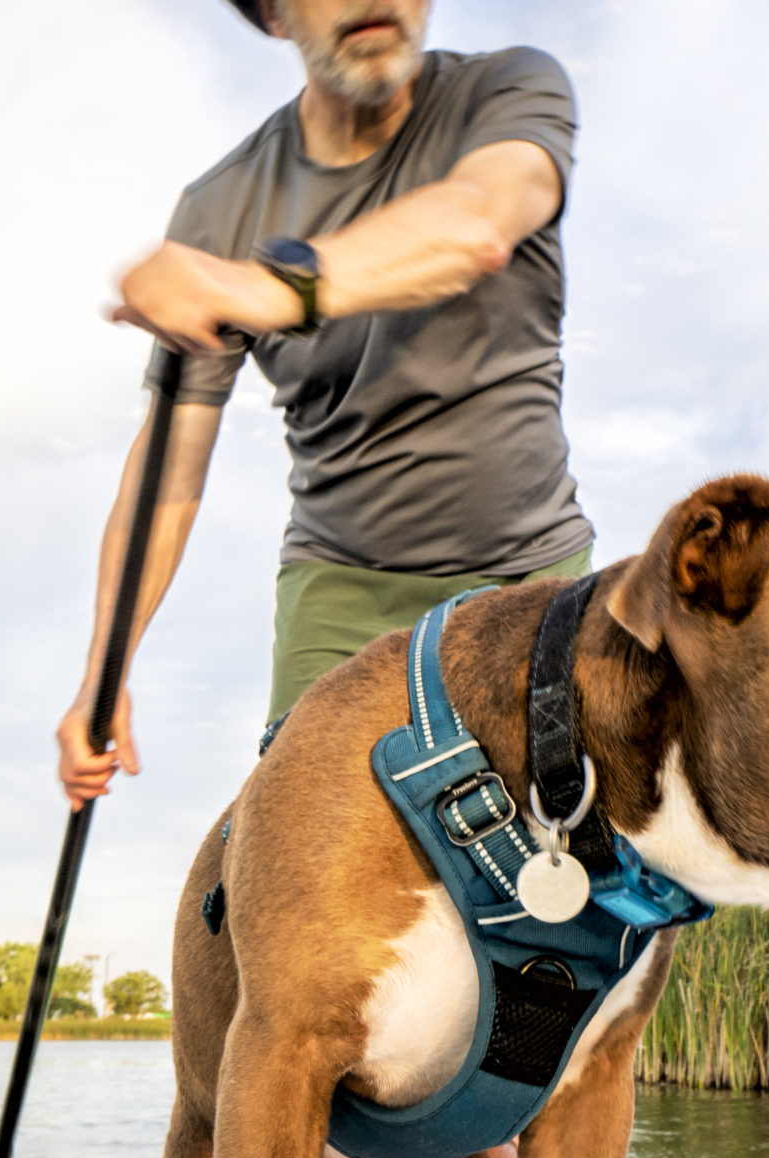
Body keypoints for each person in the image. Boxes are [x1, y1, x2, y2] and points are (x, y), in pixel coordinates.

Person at [56, 0, 590, 805]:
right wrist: (104, 676)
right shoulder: (222, 207)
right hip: (341, 599)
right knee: (297, 861)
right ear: (273, 14)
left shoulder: (510, 89)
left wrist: (254, 286)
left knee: (581, 869)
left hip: (533, 580)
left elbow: (477, 224)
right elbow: (167, 477)